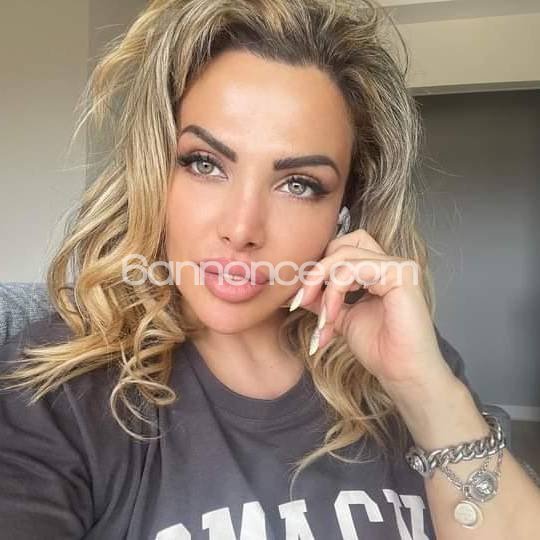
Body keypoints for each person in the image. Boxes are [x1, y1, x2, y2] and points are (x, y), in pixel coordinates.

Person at [0, 0, 539, 539]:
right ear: (155, 172)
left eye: (298, 184)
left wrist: (424, 391)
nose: (242, 228)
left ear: (344, 209)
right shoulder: (58, 395)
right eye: (205, 163)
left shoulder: (405, 357)